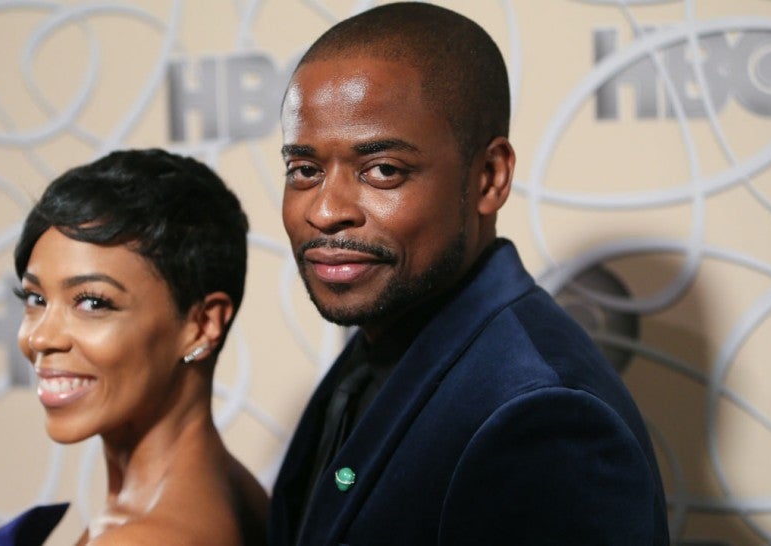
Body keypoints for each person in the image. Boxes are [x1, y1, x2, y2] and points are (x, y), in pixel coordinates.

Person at [270, 3, 669, 545]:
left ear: (489, 177)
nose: (324, 210)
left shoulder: (542, 415)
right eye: (304, 170)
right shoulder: (382, 346)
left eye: (382, 170)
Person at [0, 149, 268, 545]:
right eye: (35, 298)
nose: (40, 338)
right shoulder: (233, 489)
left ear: (202, 325)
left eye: (92, 302)